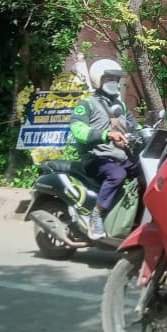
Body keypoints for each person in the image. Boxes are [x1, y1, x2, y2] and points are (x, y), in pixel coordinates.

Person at [68, 58, 140, 240]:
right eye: (109, 79)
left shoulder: (120, 105)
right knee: (117, 175)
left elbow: (134, 126)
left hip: (119, 156)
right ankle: (96, 215)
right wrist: (106, 134)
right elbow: (78, 130)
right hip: (95, 158)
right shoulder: (87, 104)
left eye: (116, 80)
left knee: (145, 173)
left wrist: (146, 132)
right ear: (98, 79)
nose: (114, 83)